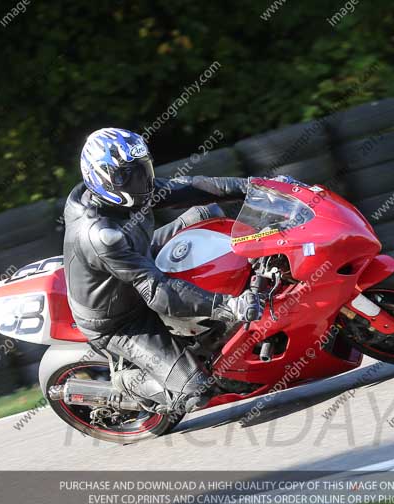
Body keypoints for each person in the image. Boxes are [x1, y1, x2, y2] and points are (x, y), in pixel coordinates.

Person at [62, 127, 262, 415]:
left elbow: (192, 187)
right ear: (103, 177)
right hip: (120, 319)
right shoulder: (100, 234)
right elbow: (157, 292)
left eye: (142, 170)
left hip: (138, 257)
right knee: (196, 393)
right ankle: (126, 384)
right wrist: (228, 306)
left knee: (207, 214)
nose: (141, 181)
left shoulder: (121, 192)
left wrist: (253, 186)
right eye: (127, 175)